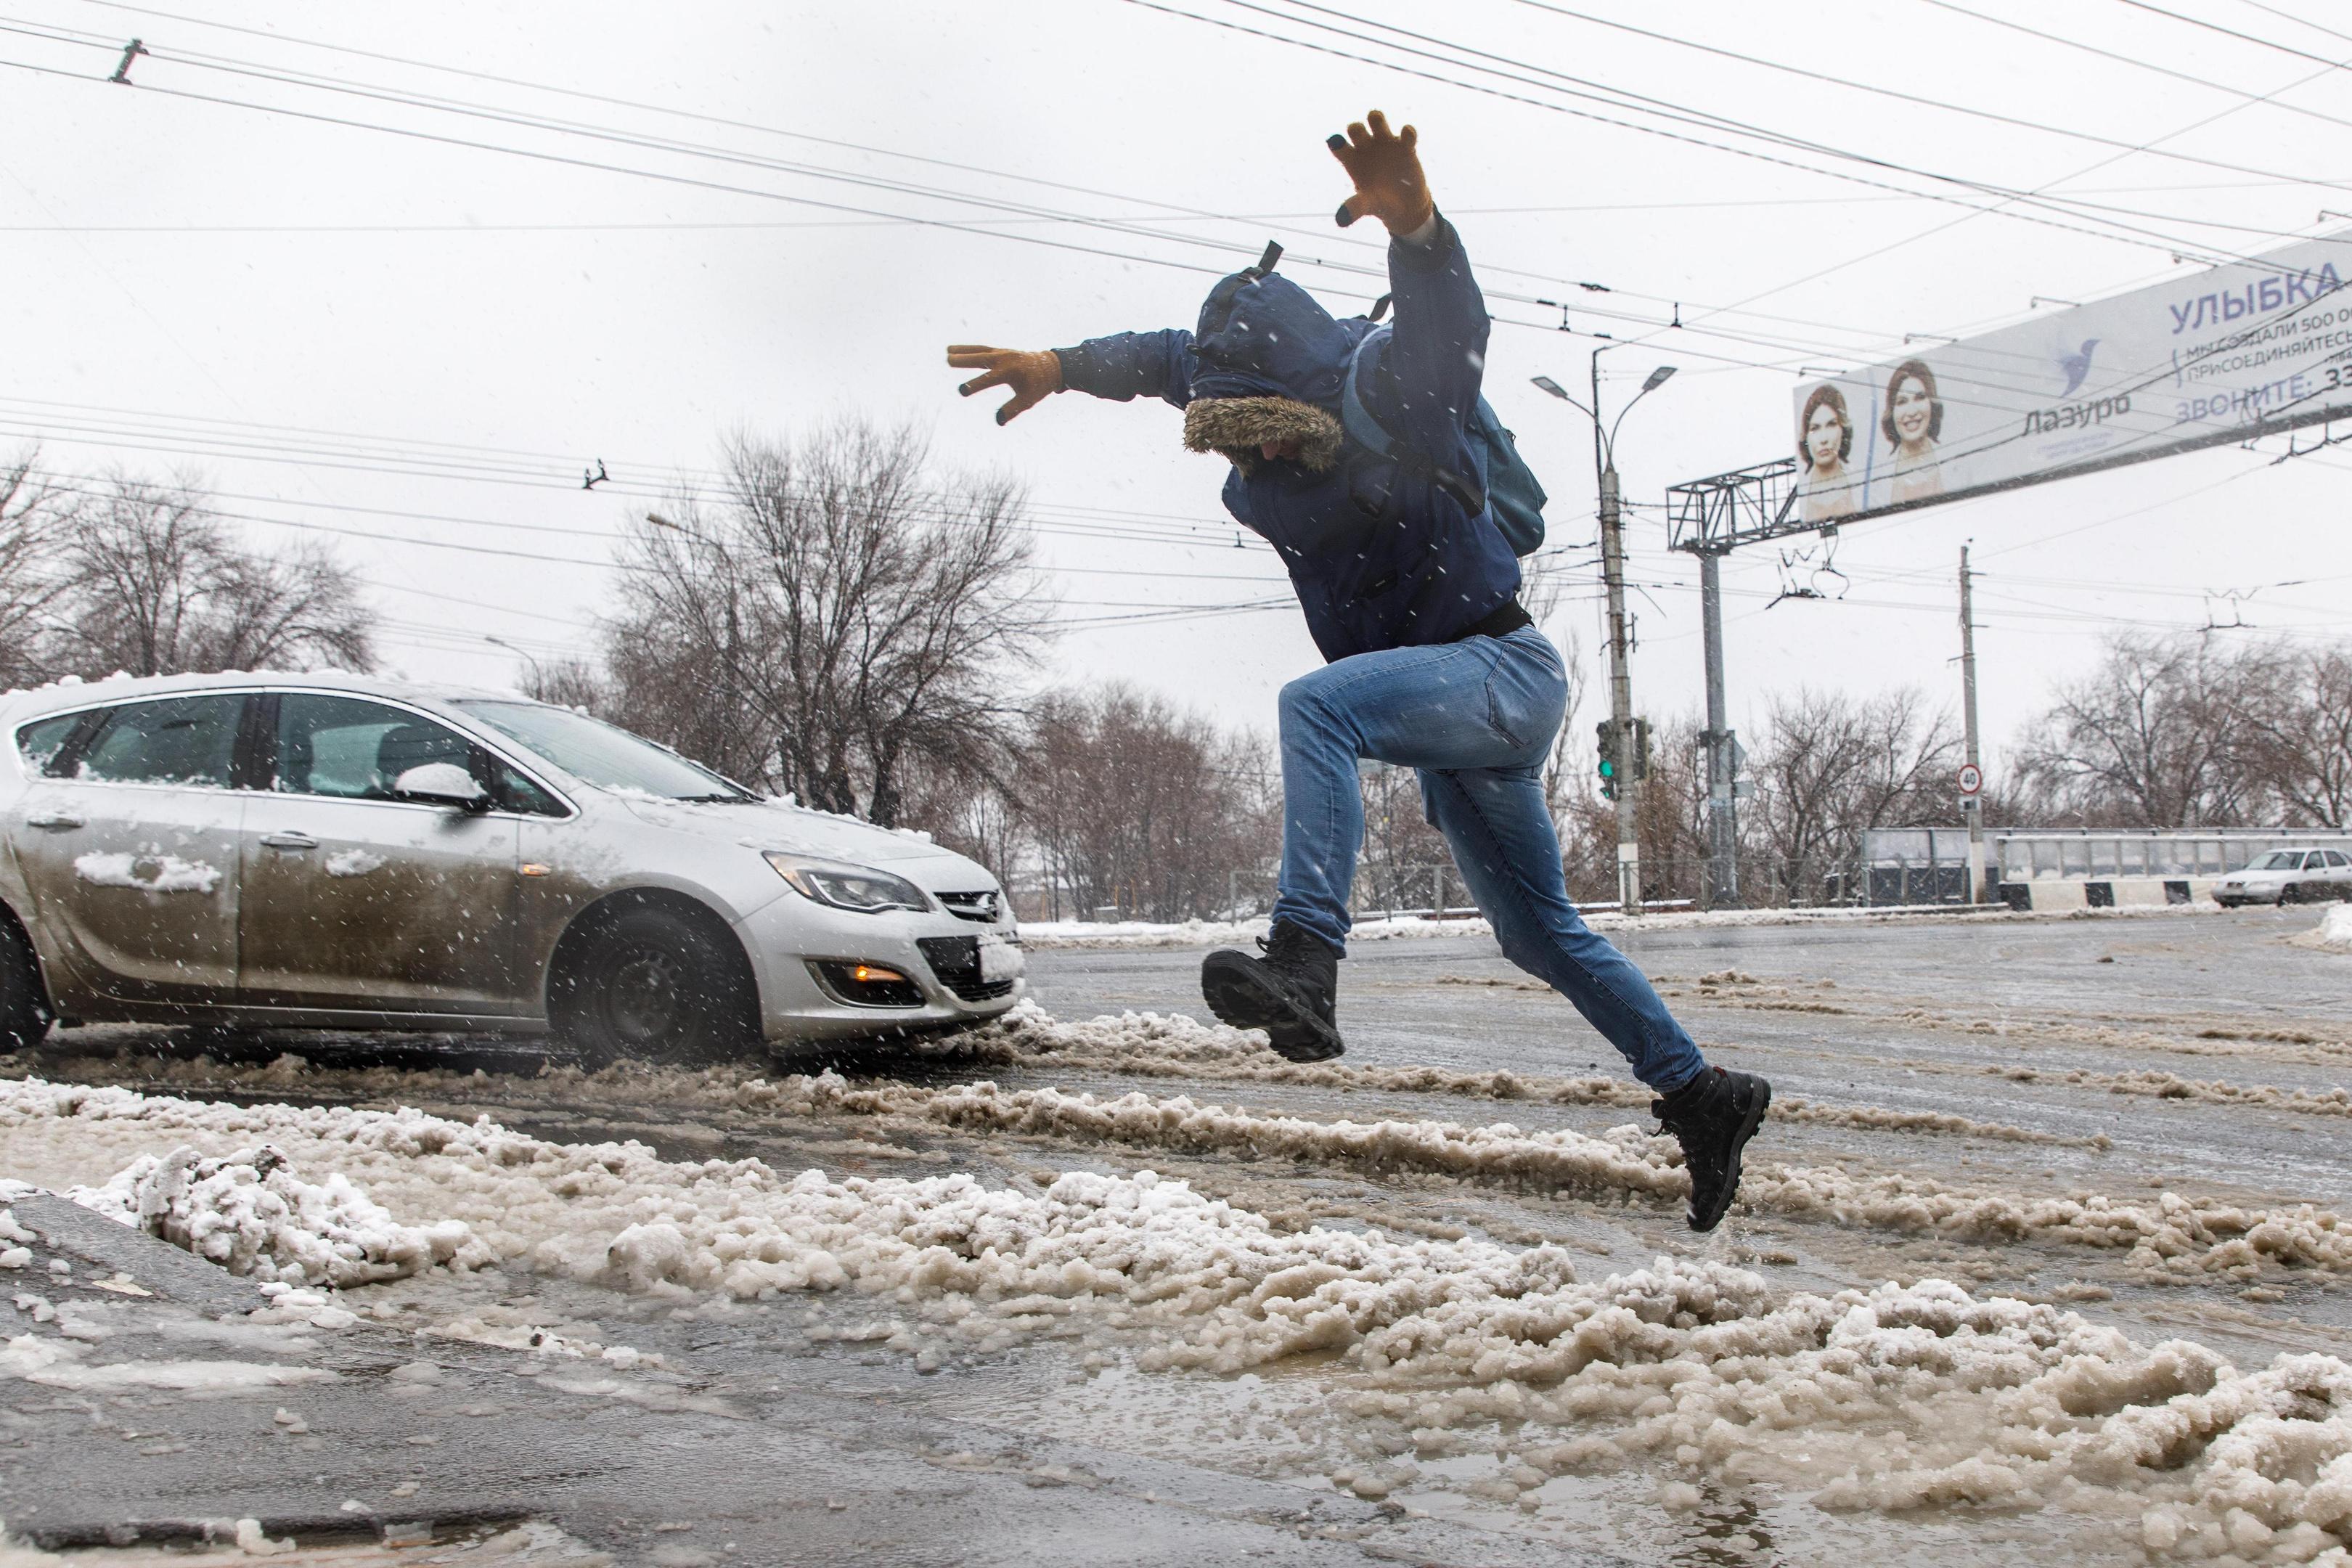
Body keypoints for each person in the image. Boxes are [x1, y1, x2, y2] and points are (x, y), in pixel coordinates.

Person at [945, 111, 1770, 1231]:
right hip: (1457, 716)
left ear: (1309, 399)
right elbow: (1165, 360)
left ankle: (1306, 961)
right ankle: (1702, 1095)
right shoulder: (1236, 403)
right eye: (1239, 444)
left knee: (1314, 709)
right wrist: (1061, 366)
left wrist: (1419, 228)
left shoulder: (1395, 391)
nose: (1263, 455)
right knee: (1540, 935)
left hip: (1500, 670)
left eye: (1273, 432)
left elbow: (1451, 322)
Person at [1882, 359, 1945, 505]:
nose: (1911, 412)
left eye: (1920, 398)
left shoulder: (1953, 462)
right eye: (1902, 402)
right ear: (1892, 411)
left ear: (1932, 404)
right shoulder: (1882, 474)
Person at [1797, 383, 1857, 522]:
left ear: (1843, 430)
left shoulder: (1859, 486)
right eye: (1815, 428)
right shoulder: (1803, 491)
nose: (1823, 439)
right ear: (1805, 436)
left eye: (1831, 425)